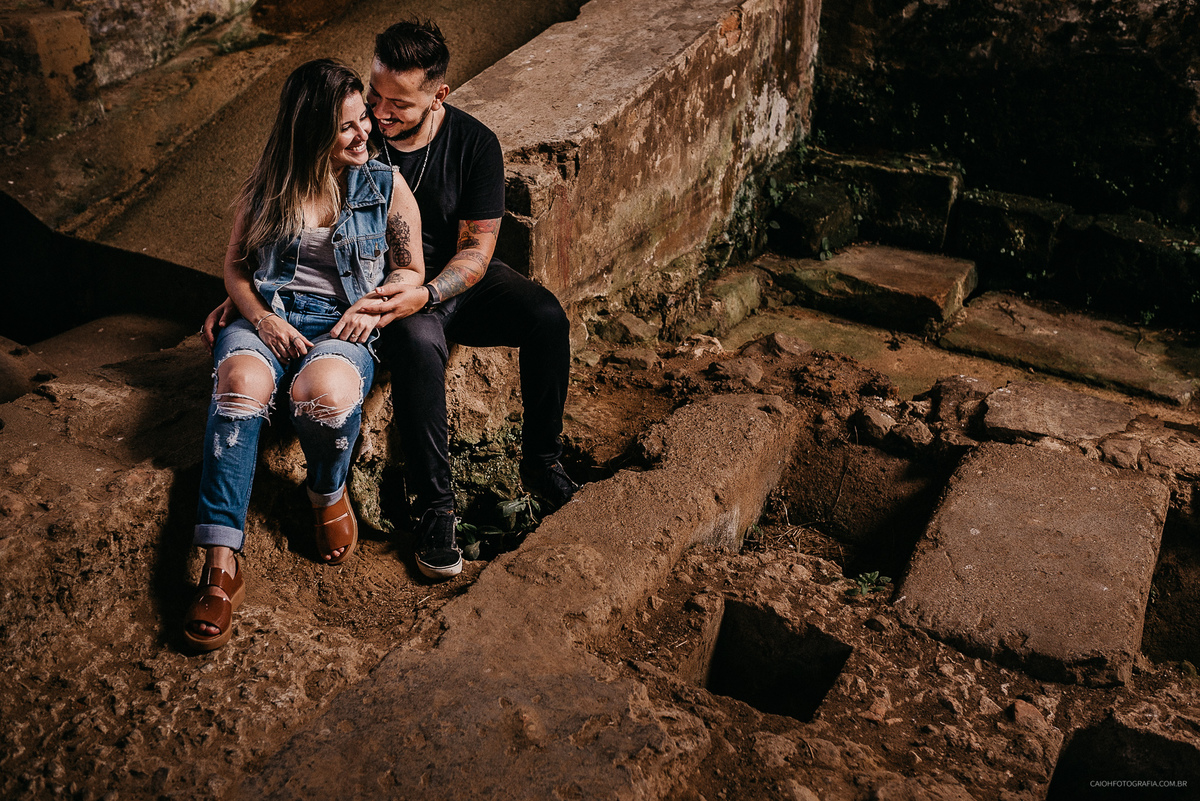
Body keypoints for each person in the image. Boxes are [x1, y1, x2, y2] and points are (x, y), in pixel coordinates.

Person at [205, 20, 578, 583]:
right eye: (374, 96)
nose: (379, 115)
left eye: (397, 104)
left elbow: (476, 254)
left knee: (546, 316)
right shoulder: (359, 130)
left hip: (448, 278)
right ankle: (436, 510)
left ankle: (543, 461)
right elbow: (290, 205)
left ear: (438, 96)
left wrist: (424, 292)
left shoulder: (474, 144)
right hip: (377, 289)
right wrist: (248, 297)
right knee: (416, 341)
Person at [186, 59, 425, 651]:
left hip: (341, 324)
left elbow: (410, 268)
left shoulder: (384, 186)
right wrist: (261, 318)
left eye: (362, 118)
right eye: (346, 126)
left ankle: (326, 490)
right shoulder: (271, 185)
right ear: (312, 132)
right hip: (269, 317)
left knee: (322, 397)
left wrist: (372, 309)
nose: (364, 131)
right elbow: (237, 268)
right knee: (238, 383)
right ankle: (220, 564)